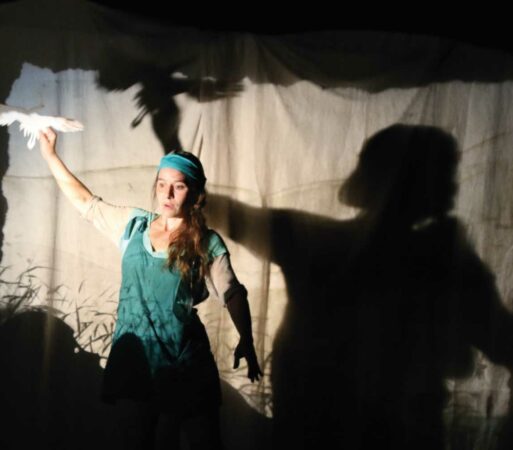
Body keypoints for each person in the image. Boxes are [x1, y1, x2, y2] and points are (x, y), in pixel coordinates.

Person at [38, 127, 262, 450]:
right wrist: (50, 155)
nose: (167, 194)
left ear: (195, 193)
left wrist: (247, 338)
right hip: (136, 361)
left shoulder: (206, 242)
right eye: (161, 184)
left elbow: (232, 292)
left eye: (179, 186)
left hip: (184, 362)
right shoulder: (134, 226)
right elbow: (87, 203)